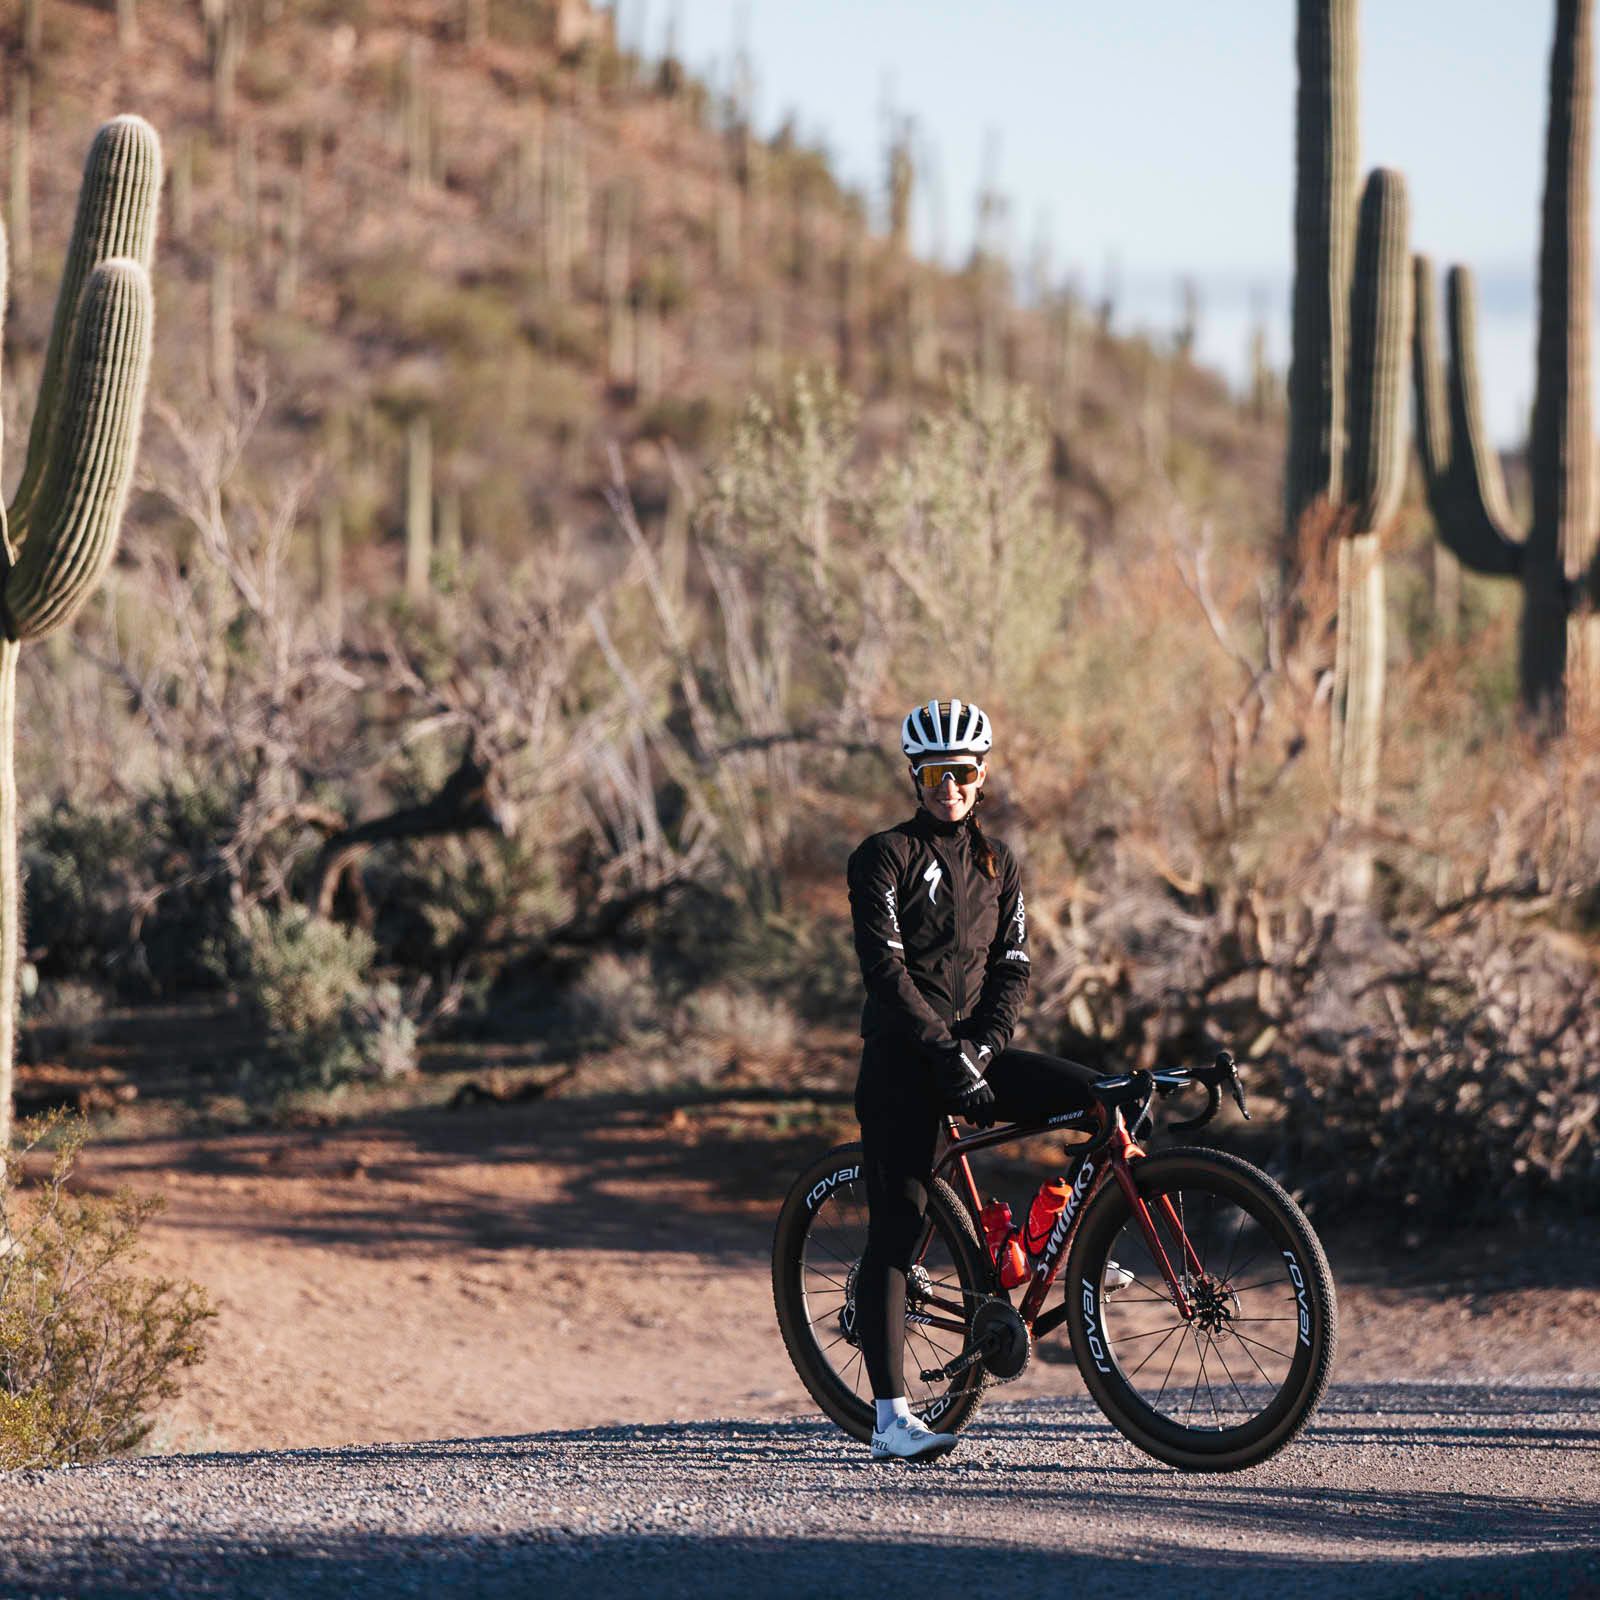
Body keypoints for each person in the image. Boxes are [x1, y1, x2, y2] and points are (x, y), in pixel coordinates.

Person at [846, 697, 1100, 1463]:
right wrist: (941, 1049)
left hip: (973, 1052)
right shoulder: (883, 856)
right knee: (897, 1230)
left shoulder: (1000, 864)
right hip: (902, 1061)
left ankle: (1076, 1250)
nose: (948, 786)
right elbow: (886, 971)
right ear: (915, 778)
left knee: (1108, 1102)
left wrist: (983, 1047)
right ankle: (890, 1420)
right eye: (933, 774)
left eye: (960, 772)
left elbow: (1013, 969)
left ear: (981, 775)